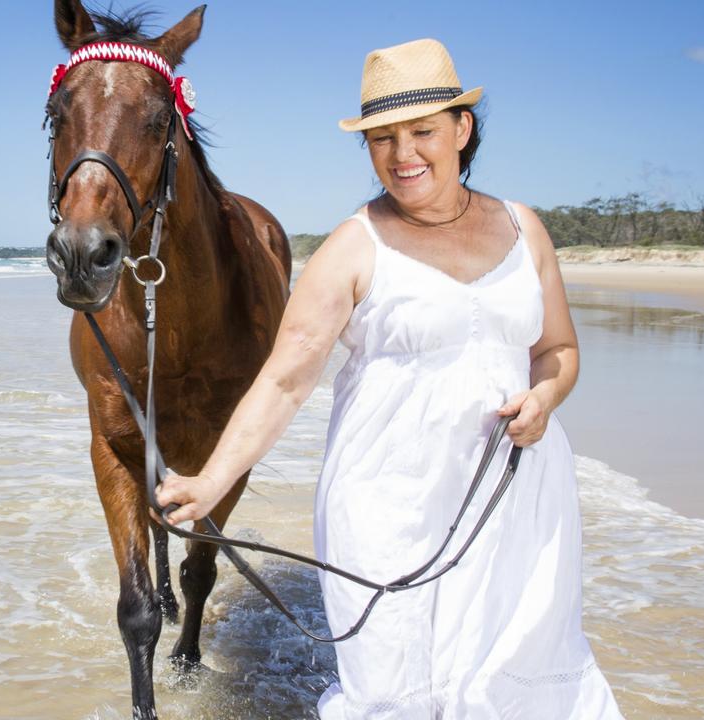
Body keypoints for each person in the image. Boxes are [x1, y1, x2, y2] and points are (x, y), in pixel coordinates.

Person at [156, 38, 624, 719]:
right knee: (394, 692)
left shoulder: (526, 229)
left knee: (518, 681)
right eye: (381, 139)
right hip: (387, 502)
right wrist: (209, 482)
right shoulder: (353, 245)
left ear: (463, 129)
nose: (403, 155)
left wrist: (546, 395)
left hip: (517, 500)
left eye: (422, 132)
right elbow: (285, 381)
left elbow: (558, 349)